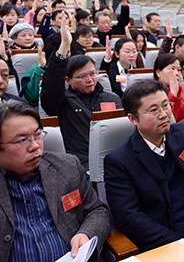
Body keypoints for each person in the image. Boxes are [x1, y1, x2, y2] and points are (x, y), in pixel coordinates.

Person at [0, 102, 109, 261]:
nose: (35, 146)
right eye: (22, 140)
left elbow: (96, 210)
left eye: (37, 135)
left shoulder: (67, 166)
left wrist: (86, 233)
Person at [104, 74, 184, 252]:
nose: (164, 115)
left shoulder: (181, 134)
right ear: (133, 119)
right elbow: (129, 217)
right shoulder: (120, 161)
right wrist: (178, 243)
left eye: (165, 105)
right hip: (166, 238)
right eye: (154, 110)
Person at [40, 22, 122, 169]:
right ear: (68, 80)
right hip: (81, 165)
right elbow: (52, 85)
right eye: (83, 76)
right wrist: (64, 46)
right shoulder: (63, 102)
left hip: (115, 161)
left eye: (92, 74)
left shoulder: (112, 99)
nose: (90, 80)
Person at [154, 53, 184, 127]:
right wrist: (173, 94)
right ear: (158, 73)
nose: (177, 73)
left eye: (179, 70)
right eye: (172, 69)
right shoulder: (153, 94)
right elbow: (167, 122)